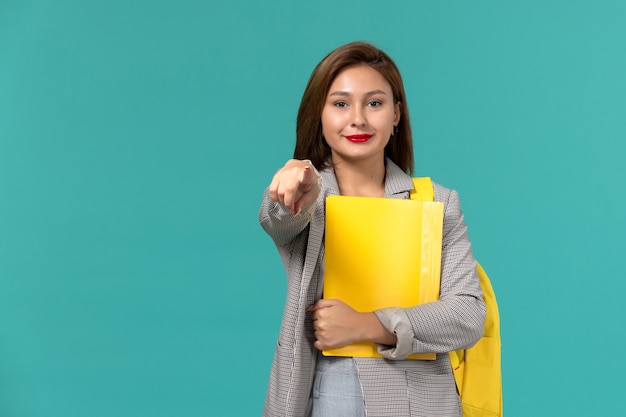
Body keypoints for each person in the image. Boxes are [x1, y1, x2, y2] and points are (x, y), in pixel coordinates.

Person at [258, 41, 486, 417]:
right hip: (323, 397)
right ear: (320, 113)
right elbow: (278, 217)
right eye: (341, 103)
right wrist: (293, 187)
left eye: (375, 103)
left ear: (397, 114)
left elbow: (466, 317)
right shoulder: (305, 197)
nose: (358, 119)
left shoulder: (438, 204)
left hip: (420, 402)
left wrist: (370, 324)